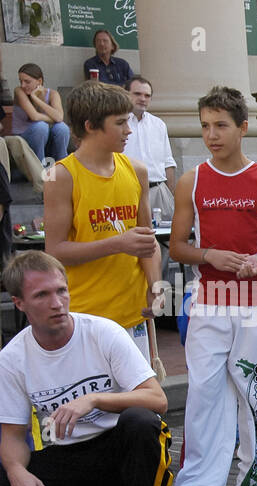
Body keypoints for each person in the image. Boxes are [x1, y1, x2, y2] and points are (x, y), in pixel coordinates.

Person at [163, 86, 257, 486]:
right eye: (204, 126)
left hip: (254, 301)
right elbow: (177, 247)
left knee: (254, 391)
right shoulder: (191, 180)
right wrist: (208, 255)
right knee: (203, 393)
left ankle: (256, 479)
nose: (211, 135)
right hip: (208, 301)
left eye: (220, 125)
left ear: (242, 127)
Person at [0, 252, 171, 486]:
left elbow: (157, 399)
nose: (57, 302)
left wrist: (94, 400)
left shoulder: (102, 332)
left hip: (123, 448)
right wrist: (15, 471)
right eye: (42, 295)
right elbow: (11, 436)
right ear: (19, 303)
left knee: (141, 423)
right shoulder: (12, 359)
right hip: (67, 455)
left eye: (61, 290)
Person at [44, 81, 161, 367]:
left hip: (132, 315)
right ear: (91, 125)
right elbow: (54, 250)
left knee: (138, 410)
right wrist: (117, 243)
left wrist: (155, 284)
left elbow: (147, 242)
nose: (129, 130)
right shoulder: (58, 176)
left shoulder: (137, 170)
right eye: (120, 123)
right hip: (85, 318)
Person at [122, 76, 178, 222]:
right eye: (137, 94)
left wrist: (170, 195)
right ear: (126, 94)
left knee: (165, 240)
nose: (143, 99)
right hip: (128, 192)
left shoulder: (159, 124)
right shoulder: (118, 123)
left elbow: (168, 162)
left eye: (147, 95)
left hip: (159, 192)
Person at [12, 64, 70, 164]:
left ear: (39, 81)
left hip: (44, 140)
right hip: (23, 140)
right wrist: (54, 118)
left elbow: (60, 118)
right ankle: (40, 169)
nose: (23, 85)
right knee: (41, 126)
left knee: (62, 128)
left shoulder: (53, 94)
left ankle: (63, 166)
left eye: (27, 81)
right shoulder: (19, 91)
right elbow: (34, 116)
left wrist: (36, 98)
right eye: (20, 81)